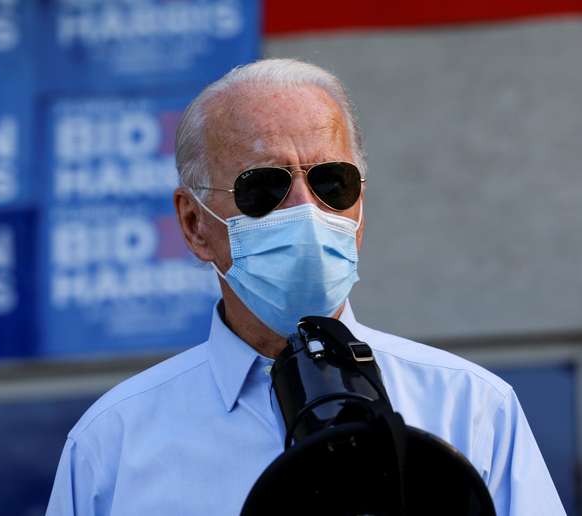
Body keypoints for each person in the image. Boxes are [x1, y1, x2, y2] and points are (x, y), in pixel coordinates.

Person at [46, 59, 564, 515]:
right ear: (193, 223)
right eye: (264, 187)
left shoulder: (470, 409)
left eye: (332, 182)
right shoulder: (113, 446)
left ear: (360, 209)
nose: (306, 210)